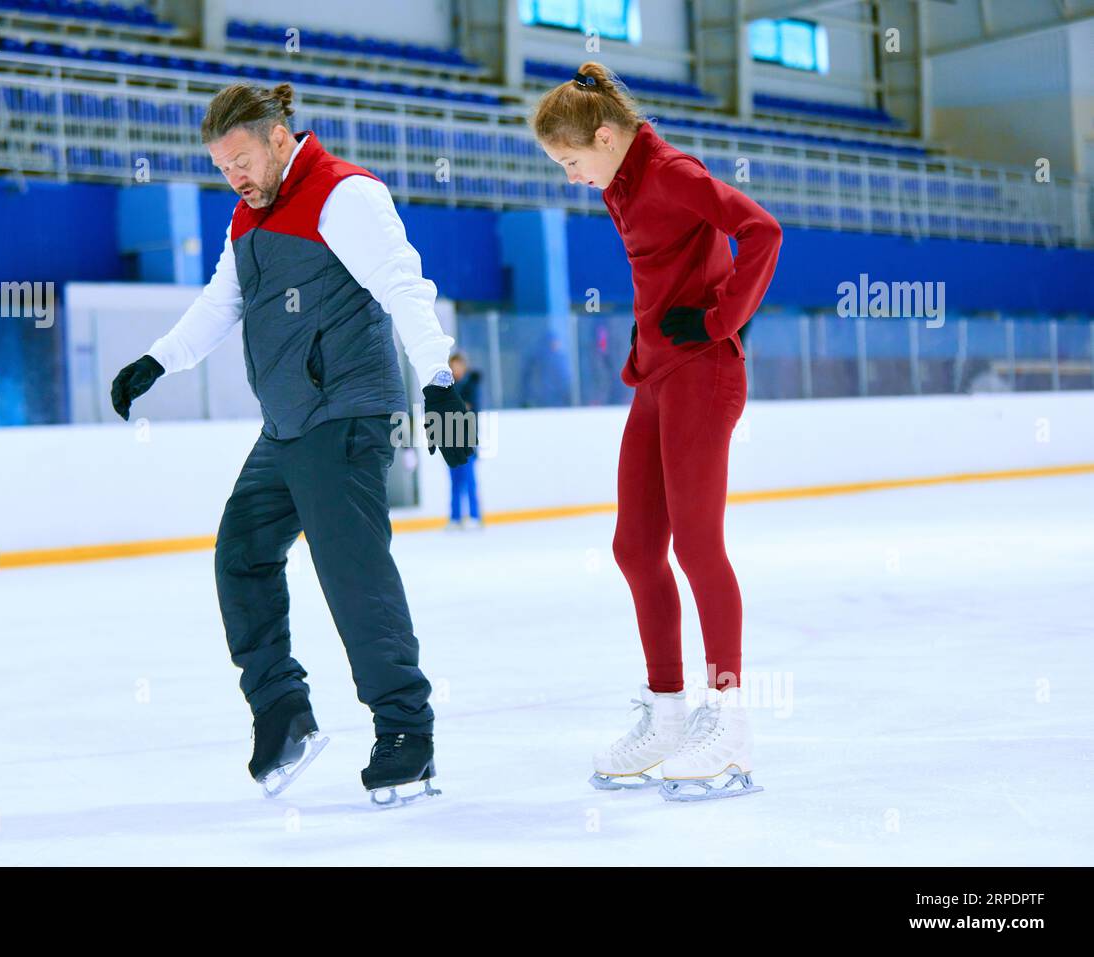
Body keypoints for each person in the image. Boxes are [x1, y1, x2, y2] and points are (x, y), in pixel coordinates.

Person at [110, 82, 476, 806]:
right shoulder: (248, 219)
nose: (234, 178)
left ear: (280, 138)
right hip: (287, 424)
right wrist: (159, 359)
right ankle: (283, 712)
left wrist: (438, 380)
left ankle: (407, 729)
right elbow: (223, 301)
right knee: (241, 553)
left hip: (345, 414)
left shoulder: (345, 196)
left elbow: (405, 285)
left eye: (241, 159)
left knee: (352, 572)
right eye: (221, 168)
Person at [531, 63, 782, 801]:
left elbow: (761, 231)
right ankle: (668, 712)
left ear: (606, 136)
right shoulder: (620, 182)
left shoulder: (670, 171)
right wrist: (647, 350)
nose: (572, 177)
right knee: (635, 545)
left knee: (698, 542)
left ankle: (730, 723)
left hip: (704, 371)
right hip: (659, 375)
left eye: (572, 162)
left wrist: (716, 319)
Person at [443, 351, 483, 529]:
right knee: (455, 481)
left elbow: (470, 409)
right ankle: (455, 518)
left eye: (458, 365)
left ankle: (475, 516)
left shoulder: (471, 385)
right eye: (453, 365)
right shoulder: (447, 386)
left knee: (469, 480)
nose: (455, 369)